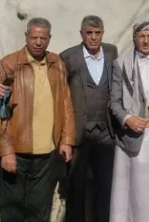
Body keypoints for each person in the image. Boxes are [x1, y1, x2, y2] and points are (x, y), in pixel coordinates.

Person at [0, 17, 74, 222]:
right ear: (26, 37)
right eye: (34, 37)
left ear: (49, 39)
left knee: (40, 211)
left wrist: (66, 139)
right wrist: (6, 150)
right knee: (13, 212)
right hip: (16, 152)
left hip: (47, 152)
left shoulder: (57, 63)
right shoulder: (9, 63)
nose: (38, 42)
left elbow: (65, 102)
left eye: (43, 38)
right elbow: (1, 112)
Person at [109, 21, 149, 222]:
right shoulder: (121, 63)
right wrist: (128, 119)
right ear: (134, 38)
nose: (146, 41)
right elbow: (114, 102)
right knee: (138, 188)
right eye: (141, 36)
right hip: (136, 134)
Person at [60, 15, 118, 222]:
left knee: (105, 187)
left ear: (103, 33)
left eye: (97, 33)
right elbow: (62, 98)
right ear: (81, 34)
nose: (93, 37)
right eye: (89, 33)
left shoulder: (111, 52)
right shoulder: (68, 57)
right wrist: (65, 137)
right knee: (76, 187)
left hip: (106, 134)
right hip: (79, 134)